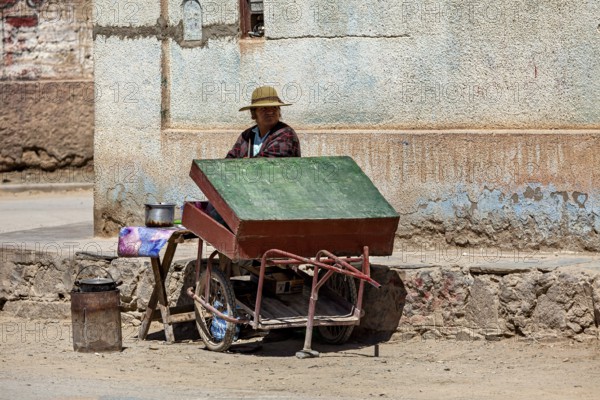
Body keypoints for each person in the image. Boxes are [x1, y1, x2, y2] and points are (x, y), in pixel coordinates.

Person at [226, 85, 301, 158]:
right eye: (264, 108)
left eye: (274, 107)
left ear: (279, 112)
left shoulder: (286, 134)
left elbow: (268, 162)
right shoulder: (247, 135)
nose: (270, 112)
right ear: (253, 113)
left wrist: (246, 162)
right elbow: (230, 160)